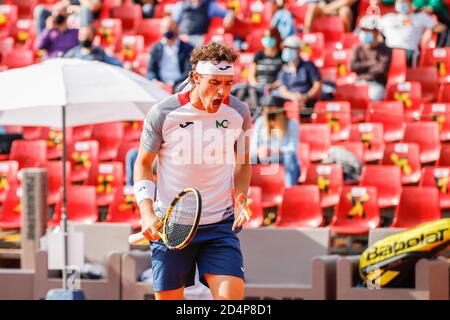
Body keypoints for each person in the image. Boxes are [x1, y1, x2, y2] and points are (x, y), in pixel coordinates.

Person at [133, 42, 252, 300]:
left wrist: (241, 199)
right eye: (214, 82)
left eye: (228, 83)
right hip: (172, 225)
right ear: (196, 78)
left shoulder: (239, 113)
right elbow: (142, 164)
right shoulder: (163, 113)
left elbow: (242, 162)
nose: (222, 91)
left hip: (219, 225)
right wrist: (146, 212)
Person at [250, 95, 300, 187]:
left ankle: (290, 189)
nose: (270, 118)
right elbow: (253, 146)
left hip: (281, 158)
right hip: (262, 157)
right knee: (243, 157)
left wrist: (273, 150)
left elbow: (292, 148)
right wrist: (259, 151)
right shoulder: (260, 122)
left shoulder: (292, 124)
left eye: (273, 114)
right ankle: (245, 192)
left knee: (290, 157)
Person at [378, 0, 445, 66]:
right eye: (399, 2)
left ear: (411, 3)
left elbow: (441, 28)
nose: (402, 4)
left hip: (409, 51)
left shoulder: (420, 17)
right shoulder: (388, 18)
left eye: (404, 2)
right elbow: (376, 33)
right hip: (389, 51)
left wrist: (431, 30)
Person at [233, 26, 284, 112]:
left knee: (250, 91)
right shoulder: (259, 55)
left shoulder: (282, 56)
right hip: (257, 86)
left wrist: (271, 86)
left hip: (272, 88)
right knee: (244, 89)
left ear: (276, 38)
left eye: (270, 36)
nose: (267, 39)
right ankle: (236, 114)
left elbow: (283, 78)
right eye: (265, 36)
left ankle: (257, 114)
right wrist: (256, 84)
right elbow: (251, 76)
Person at [350, 15, 392, 101]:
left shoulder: (385, 49)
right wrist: (372, 63)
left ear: (376, 32)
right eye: (364, 31)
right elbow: (352, 66)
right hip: (359, 83)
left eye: (368, 31)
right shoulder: (357, 48)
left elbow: (381, 70)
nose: (365, 33)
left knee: (373, 97)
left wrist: (362, 71)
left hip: (376, 84)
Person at [146, 16, 194, 89]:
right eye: (166, 28)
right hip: (159, 84)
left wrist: (173, 84)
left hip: (179, 84)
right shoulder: (156, 48)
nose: (168, 30)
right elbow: (151, 70)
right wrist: (155, 81)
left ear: (177, 29)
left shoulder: (187, 48)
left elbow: (188, 71)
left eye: (171, 27)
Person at [277, 35, 322, 109]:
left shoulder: (309, 66)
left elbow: (317, 86)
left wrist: (305, 97)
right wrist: (294, 97)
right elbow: (282, 91)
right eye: (285, 48)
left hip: (308, 103)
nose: (286, 50)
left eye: (289, 48)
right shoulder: (284, 69)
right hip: (291, 103)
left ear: (298, 50)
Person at [172, 0, 236, 47]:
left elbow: (227, 13)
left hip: (199, 38)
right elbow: (173, 23)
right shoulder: (181, 4)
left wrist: (230, 15)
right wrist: (178, 36)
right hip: (181, 37)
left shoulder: (209, 5)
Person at [64, 26, 131, 68]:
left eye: (88, 35)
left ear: (93, 37)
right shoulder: (73, 53)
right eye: (82, 35)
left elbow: (113, 61)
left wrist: (124, 65)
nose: (85, 38)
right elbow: (62, 62)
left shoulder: (100, 52)